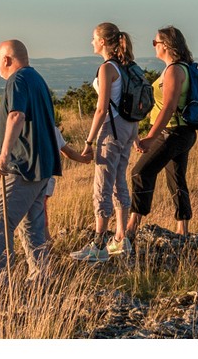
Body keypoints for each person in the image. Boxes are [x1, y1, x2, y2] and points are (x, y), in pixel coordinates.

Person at [0, 39, 62, 285]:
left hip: (24, 166)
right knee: (32, 224)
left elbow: (16, 115)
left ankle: (0, 280)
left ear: (6, 59)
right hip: (42, 166)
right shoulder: (37, 78)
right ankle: (41, 277)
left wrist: (4, 154)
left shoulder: (17, 80)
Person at [70, 23, 139, 262]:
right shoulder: (126, 66)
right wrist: (136, 135)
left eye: (93, 38)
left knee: (103, 185)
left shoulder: (107, 68)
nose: (91, 42)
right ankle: (121, 238)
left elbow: (102, 108)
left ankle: (99, 243)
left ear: (102, 41)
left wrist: (89, 141)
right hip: (129, 128)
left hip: (112, 129)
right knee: (119, 180)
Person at [127, 26, 197, 240]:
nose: (153, 46)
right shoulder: (176, 68)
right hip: (179, 132)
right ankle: (182, 230)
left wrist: (149, 138)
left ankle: (130, 229)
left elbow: (168, 107)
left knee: (140, 172)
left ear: (166, 45)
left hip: (173, 131)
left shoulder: (175, 70)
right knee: (176, 178)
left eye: (155, 42)